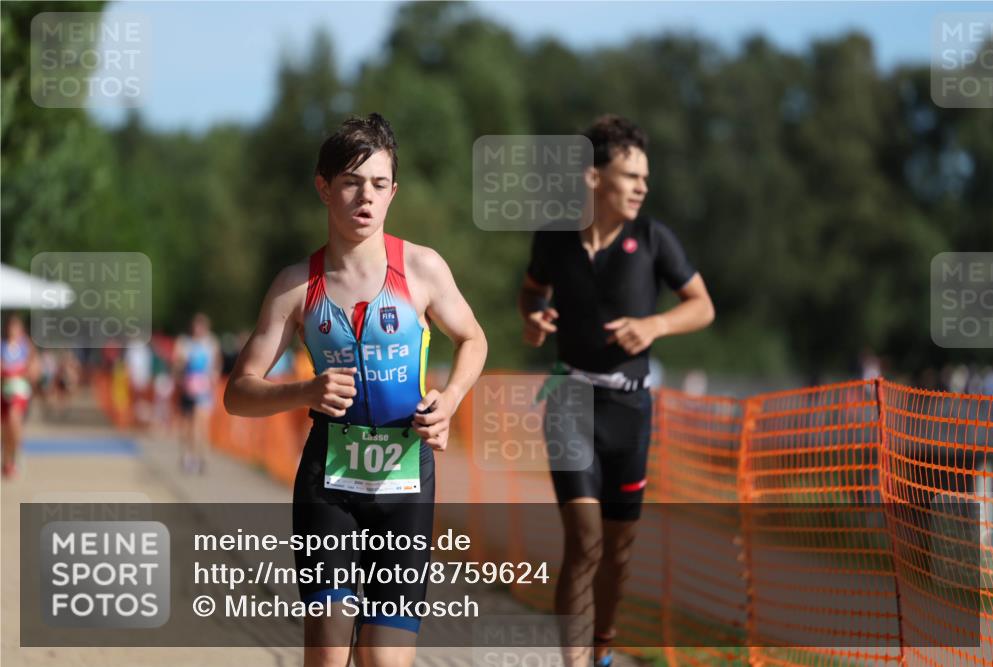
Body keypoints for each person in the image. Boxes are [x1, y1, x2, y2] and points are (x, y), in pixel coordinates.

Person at [224, 113, 487, 667]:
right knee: (325, 657)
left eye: (379, 184)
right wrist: (303, 392)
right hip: (329, 485)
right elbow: (238, 393)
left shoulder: (422, 268)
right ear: (324, 188)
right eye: (350, 182)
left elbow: (474, 339)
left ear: (394, 191)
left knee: (384, 661)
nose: (365, 197)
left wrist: (452, 399)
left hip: (406, 486)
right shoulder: (296, 285)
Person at [518, 114, 715, 667]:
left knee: (618, 552)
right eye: (630, 175)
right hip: (569, 399)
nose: (641, 187)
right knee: (584, 540)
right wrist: (534, 321)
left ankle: (602, 647)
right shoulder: (554, 237)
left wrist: (654, 326)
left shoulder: (653, 239)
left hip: (630, 408)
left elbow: (703, 305)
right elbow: (531, 293)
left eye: (645, 178)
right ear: (593, 177)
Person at [173, 313, 221, 474]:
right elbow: (177, 365)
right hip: (188, 388)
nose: (198, 329)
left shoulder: (211, 343)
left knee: (202, 424)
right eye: (196, 326)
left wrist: (212, 378)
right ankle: (188, 455)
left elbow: (216, 365)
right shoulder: (184, 343)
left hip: (204, 389)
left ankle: (202, 457)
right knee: (187, 425)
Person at [2, 313, 39, 479]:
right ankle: (7, 461)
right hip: (4, 391)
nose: (13, 330)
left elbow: (34, 370)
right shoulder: (2, 346)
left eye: (16, 326)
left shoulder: (27, 347)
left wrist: (21, 371)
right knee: (5, 431)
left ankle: (17, 454)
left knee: (14, 419)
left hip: (20, 392)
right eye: (11, 326)